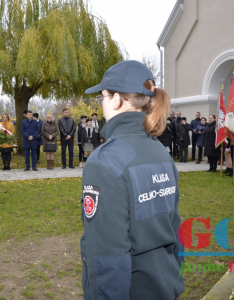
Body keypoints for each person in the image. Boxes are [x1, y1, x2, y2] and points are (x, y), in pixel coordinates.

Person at [81, 60, 184, 300]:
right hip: (165, 285)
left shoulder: (103, 161)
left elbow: (108, 256)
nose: (102, 103)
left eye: (103, 97)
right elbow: (175, 230)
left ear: (116, 100)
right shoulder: (160, 151)